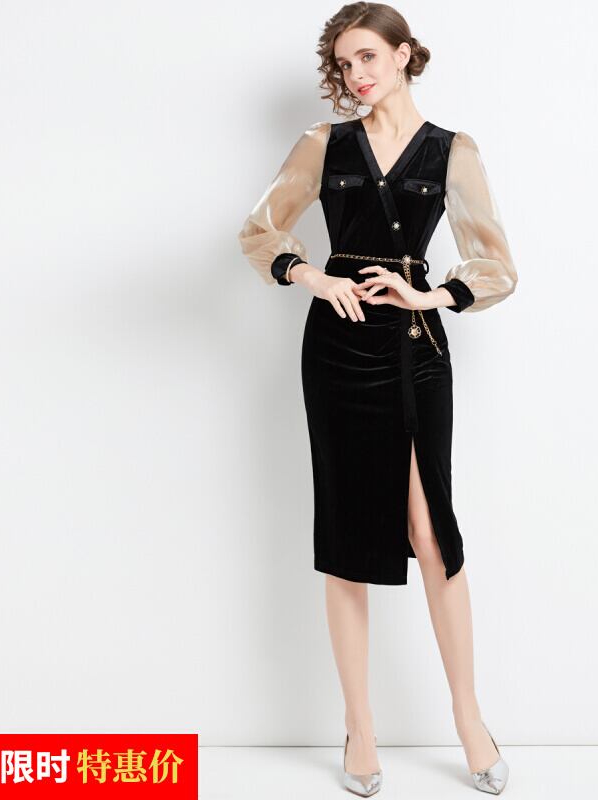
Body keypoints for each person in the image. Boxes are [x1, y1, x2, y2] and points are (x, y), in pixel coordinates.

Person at [238, 3, 517, 795]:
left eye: (367, 56)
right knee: (348, 534)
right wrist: (311, 275)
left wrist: (431, 295)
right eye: (344, 63)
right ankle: (359, 726)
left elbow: (496, 265)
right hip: (336, 349)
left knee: (432, 532)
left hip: (417, 348)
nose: (356, 74)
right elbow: (260, 232)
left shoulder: (453, 151)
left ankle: (468, 717)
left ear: (403, 54)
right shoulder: (321, 144)